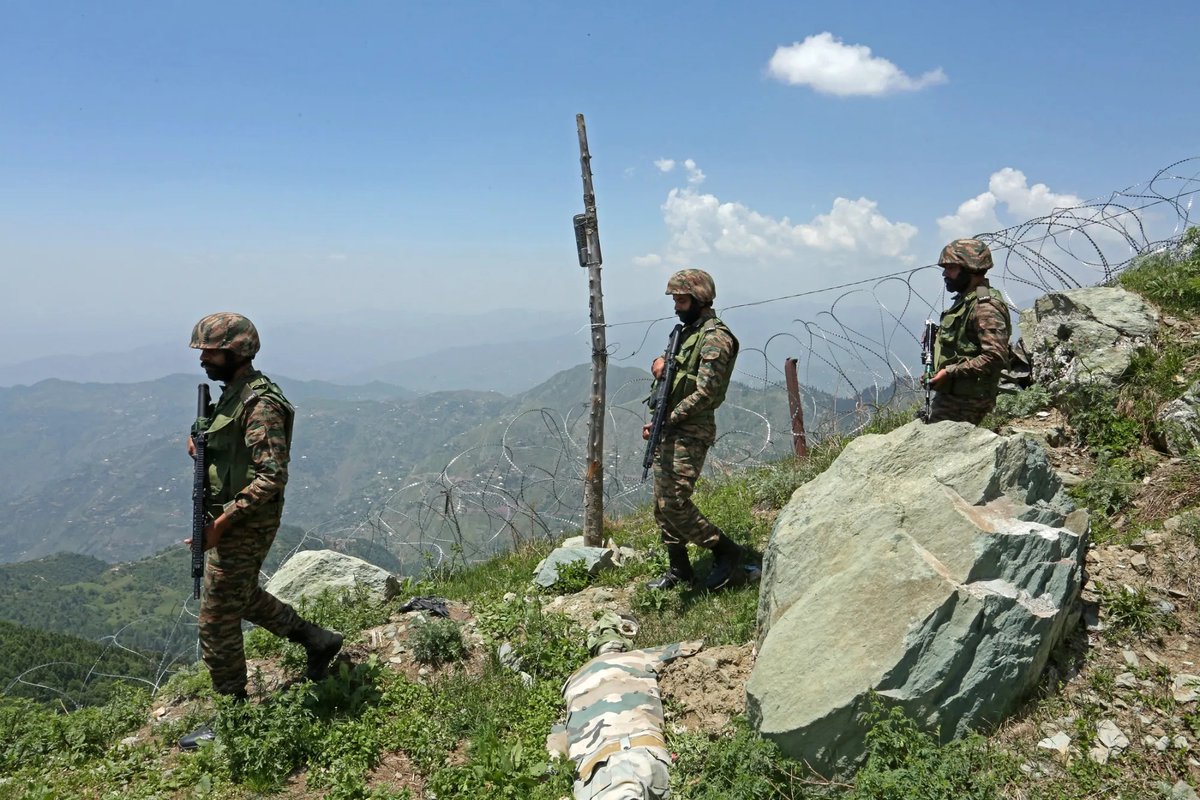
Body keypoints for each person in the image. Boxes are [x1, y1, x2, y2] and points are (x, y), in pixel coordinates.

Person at [180, 312, 342, 750]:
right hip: (232, 517)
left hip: (247, 520)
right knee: (241, 595)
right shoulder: (233, 396)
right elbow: (232, 448)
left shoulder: (259, 404)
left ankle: (231, 715)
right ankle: (319, 641)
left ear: (236, 352)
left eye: (211, 352)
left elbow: (271, 477)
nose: (203, 360)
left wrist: (220, 525)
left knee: (216, 619)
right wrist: (201, 443)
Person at [642, 269, 742, 591]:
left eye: (681, 301)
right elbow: (675, 366)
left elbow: (706, 393)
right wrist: (659, 363)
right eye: (675, 300)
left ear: (700, 299)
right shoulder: (688, 332)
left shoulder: (715, 338)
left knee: (675, 503)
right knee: (662, 504)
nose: (676, 307)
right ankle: (679, 568)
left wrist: (667, 419)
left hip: (691, 430)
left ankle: (725, 552)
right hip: (671, 426)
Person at [925, 238, 1013, 425]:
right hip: (956, 395)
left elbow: (995, 356)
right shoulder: (970, 298)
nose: (945, 273)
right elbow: (967, 337)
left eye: (951, 268)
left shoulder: (985, 307)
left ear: (970, 269)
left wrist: (949, 372)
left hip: (967, 401)